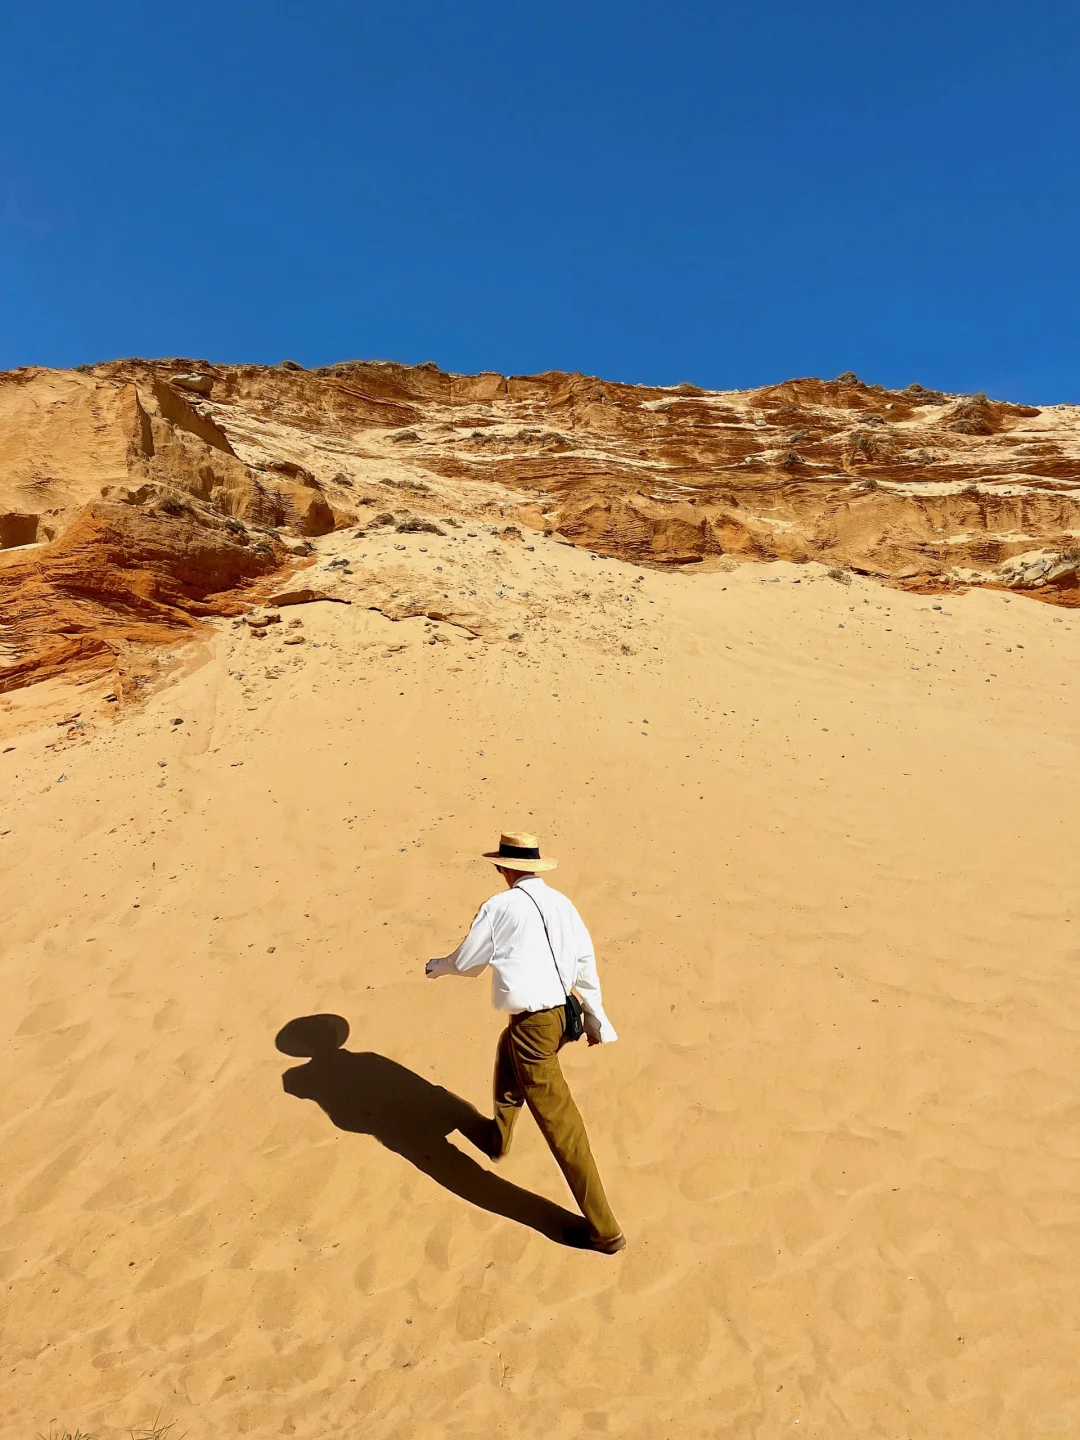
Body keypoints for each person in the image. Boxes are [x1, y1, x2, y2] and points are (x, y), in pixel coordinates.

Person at [426, 831, 625, 1254]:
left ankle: (605, 1230)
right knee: (508, 1048)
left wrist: (437, 967)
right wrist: (596, 1021)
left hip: (536, 1023)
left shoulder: (500, 907)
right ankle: (498, 1137)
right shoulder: (562, 904)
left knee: (561, 1123)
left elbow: (467, 962)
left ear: (504, 867)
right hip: (560, 1017)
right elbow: (586, 962)